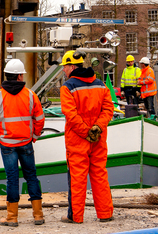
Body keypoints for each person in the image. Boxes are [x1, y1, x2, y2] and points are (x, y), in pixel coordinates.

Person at [0, 59, 45, 227]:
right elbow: (40, 119)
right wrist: (34, 135)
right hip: (26, 143)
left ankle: (12, 217)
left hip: (6, 144)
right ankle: (38, 215)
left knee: (12, 179)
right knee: (31, 177)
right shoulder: (30, 95)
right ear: (19, 76)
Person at [59, 50, 114, 224]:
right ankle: (105, 213)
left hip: (78, 140)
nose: (64, 70)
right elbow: (108, 110)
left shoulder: (67, 87)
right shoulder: (100, 85)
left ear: (72, 67)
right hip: (98, 139)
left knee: (77, 178)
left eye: (65, 67)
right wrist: (97, 128)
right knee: (99, 175)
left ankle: (76, 216)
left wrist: (85, 132)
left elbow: (71, 115)